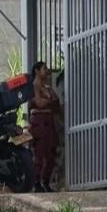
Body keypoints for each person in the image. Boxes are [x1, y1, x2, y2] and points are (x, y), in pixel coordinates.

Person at [29, 61, 61, 193]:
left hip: (49, 121)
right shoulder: (33, 86)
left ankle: (45, 182)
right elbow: (39, 103)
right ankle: (36, 182)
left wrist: (48, 102)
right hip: (39, 122)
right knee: (40, 153)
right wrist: (49, 102)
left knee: (51, 153)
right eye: (44, 68)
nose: (47, 71)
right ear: (37, 71)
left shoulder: (47, 87)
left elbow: (56, 102)